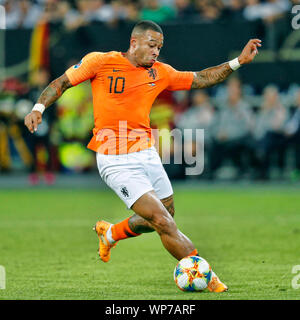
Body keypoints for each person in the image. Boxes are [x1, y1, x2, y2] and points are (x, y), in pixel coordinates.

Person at [24, 20, 261, 293]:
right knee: (162, 220)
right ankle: (205, 274)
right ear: (134, 42)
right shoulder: (100, 62)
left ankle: (111, 233)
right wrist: (38, 107)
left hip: (147, 153)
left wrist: (238, 62)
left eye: (159, 47)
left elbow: (202, 78)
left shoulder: (160, 72)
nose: (156, 51)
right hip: (115, 159)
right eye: (152, 45)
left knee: (164, 214)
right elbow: (61, 82)